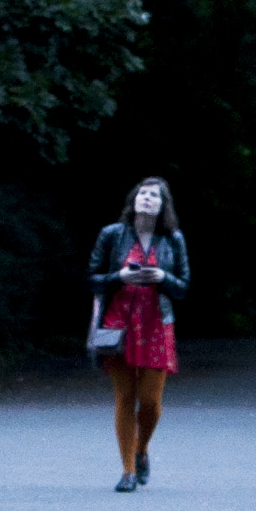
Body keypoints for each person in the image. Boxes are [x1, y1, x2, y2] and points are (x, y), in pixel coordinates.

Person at [90, 177, 189, 491]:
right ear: (133, 200)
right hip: (118, 324)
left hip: (157, 323)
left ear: (162, 206)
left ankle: (141, 449)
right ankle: (128, 471)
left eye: (154, 195)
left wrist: (162, 277)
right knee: (125, 398)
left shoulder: (173, 239)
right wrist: (119, 276)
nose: (147, 198)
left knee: (149, 401)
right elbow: (92, 279)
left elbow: (184, 287)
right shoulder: (112, 235)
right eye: (142, 193)